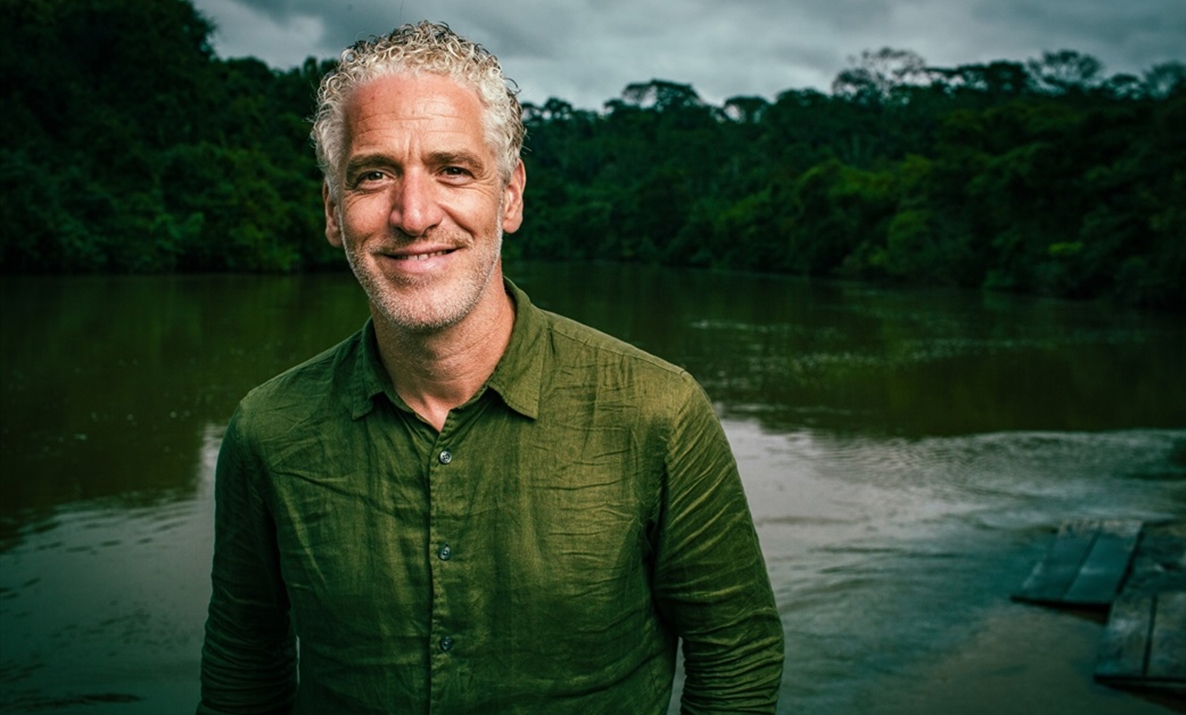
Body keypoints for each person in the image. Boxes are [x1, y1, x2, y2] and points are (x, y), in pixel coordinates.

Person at [197, 20, 783, 715]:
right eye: (374, 174)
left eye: (452, 169)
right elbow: (243, 678)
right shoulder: (268, 431)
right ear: (333, 209)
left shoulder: (659, 411)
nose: (413, 215)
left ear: (508, 196)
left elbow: (737, 659)